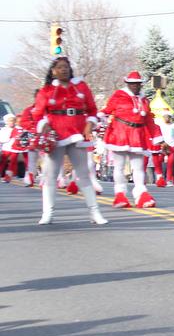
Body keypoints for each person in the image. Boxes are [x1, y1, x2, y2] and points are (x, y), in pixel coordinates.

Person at [31, 56, 108, 225]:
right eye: (59, 67)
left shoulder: (81, 86)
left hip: (77, 132)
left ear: (70, 69)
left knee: (83, 174)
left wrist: (90, 124)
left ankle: (94, 213)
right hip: (56, 134)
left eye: (66, 67)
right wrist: (45, 126)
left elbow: (93, 109)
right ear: (53, 71)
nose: (63, 70)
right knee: (50, 175)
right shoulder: (47, 91)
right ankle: (48, 213)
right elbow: (37, 114)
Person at [102, 71, 162, 209]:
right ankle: (120, 194)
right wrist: (95, 120)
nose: (135, 86)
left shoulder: (144, 100)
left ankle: (141, 193)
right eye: (132, 84)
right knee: (119, 166)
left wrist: (158, 137)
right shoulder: (119, 96)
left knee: (138, 167)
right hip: (120, 134)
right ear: (127, 84)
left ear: (141, 85)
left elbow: (149, 120)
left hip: (137, 135)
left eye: (137, 84)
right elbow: (107, 110)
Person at [158, 113, 174, 185]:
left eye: (168, 117)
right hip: (162, 145)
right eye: (165, 117)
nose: (167, 119)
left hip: (171, 146)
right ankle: (160, 177)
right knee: (159, 161)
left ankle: (169, 179)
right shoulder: (161, 125)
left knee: (170, 163)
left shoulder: (173, 126)